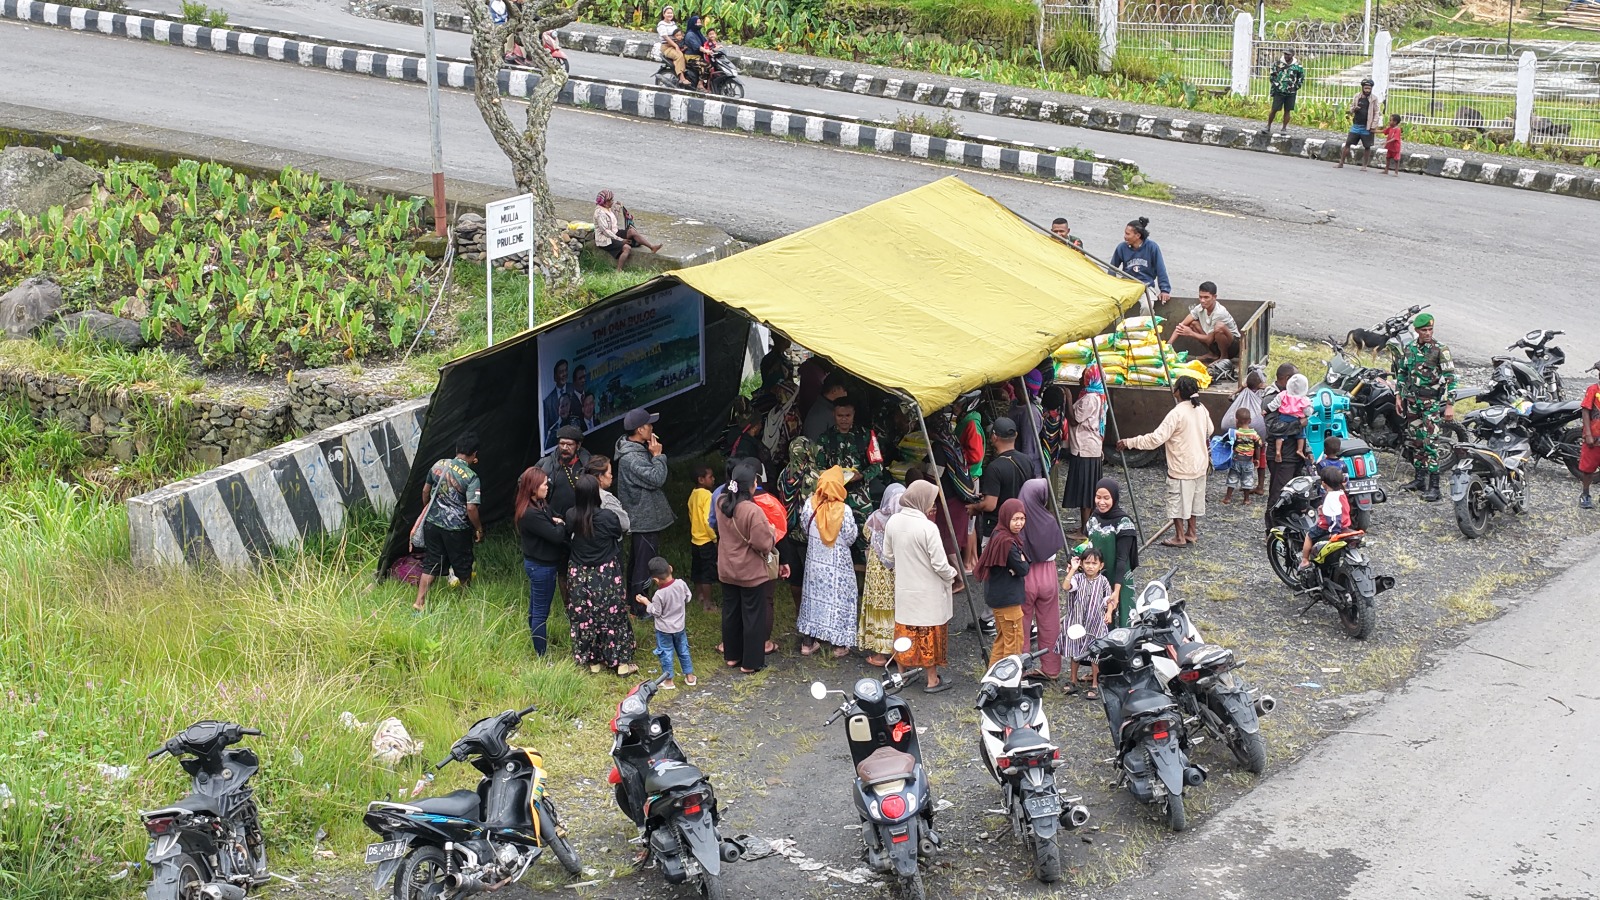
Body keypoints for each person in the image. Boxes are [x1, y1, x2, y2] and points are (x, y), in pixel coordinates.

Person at [1119, 376, 1212, 547]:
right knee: (1193, 499)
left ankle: (1179, 537)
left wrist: (1129, 442)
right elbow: (1210, 429)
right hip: (1199, 463)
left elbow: (1155, 439)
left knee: (1176, 500)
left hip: (1181, 465)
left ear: (1177, 391)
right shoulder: (1201, 408)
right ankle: (1191, 532)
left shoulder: (1177, 413)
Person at [886, 480, 959, 693]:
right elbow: (939, 564)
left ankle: (902, 674)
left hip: (904, 588)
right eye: (931, 500)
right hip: (928, 591)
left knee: (904, 632)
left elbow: (888, 556)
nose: (932, 505)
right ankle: (932, 680)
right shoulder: (928, 527)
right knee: (928, 633)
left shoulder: (893, 522)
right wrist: (952, 574)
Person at [565, 474, 636, 676]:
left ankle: (592, 661)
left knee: (584, 616)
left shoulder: (572, 515)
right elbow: (616, 534)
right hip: (605, 572)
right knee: (613, 615)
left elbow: (567, 534)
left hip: (579, 572)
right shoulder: (608, 517)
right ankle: (621, 662)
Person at [719, 463, 778, 673]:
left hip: (726, 568)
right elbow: (763, 544)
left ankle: (732, 656)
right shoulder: (753, 511)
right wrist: (770, 532)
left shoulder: (721, 502)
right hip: (750, 571)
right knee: (753, 615)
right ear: (752, 485)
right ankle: (751, 663)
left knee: (731, 612)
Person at [413, 432, 483, 612]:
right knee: (463, 564)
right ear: (474, 454)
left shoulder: (438, 465)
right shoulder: (471, 477)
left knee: (431, 563)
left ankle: (419, 603)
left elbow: (425, 491)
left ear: (457, 449)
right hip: (456, 528)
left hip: (432, 525)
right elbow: (471, 508)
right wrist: (478, 528)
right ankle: (464, 601)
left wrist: (430, 510)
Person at [797, 466, 860, 658]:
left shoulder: (809, 505)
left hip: (814, 562)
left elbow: (805, 530)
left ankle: (808, 643)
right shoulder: (845, 510)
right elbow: (850, 537)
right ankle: (839, 645)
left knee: (813, 598)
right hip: (839, 566)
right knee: (839, 600)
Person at [1394, 312, 1456, 502]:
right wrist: (1398, 395)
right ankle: (1419, 480)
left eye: (1430, 329)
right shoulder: (1410, 349)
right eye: (1424, 330)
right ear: (1417, 331)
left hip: (1431, 403)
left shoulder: (1440, 350)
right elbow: (1403, 373)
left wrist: (1450, 405)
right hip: (1413, 402)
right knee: (1416, 441)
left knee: (1431, 443)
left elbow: (1451, 378)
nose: (1428, 333)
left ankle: (1434, 486)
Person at [615, 407, 674, 604]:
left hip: (645, 518)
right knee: (644, 564)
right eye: (649, 424)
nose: (651, 427)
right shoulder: (632, 458)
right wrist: (658, 456)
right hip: (643, 519)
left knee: (638, 560)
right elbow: (657, 478)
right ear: (640, 430)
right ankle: (639, 607)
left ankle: (632, 602)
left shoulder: (638, 450)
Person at [515, 466, 567, 655]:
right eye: (544, 484)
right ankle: (541, 654)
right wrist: (559, 524)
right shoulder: (531, 513)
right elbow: (556, 536)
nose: (548, 487)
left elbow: (553, 517)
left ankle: (537, 645)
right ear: (533, 487)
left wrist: (555, 520)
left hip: (543, 565)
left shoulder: (540, 504)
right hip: (541, 567)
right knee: (540, 612)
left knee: (536, 607)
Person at [1017, 478, 1064, 679]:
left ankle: (1020, 667)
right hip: (1048, 575)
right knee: (1050, 622)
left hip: (1024, 576)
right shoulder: (1050, 520)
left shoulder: (1018, 520)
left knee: (1021, 624)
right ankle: (1051, 669)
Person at [816, 396, 883, 536]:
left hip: (860, 498)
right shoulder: (825, 439)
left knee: (865, 538)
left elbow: (877, 464)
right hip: (834, 498)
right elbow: (818, 468)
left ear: (854, 414)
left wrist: (863, 475)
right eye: (840, 415)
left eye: (848, 415)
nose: (844, 419)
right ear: (833, 414)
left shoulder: (866, 435)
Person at [976, 498, 1030, 667]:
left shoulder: (998, 534)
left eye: (1022, 519)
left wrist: (1020, 564)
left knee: (1001, 641)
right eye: (1015, 519)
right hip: (1008, 600)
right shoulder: (1008, 542)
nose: (1019, 524)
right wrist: (1021, 563)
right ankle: (1008, 684)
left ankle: (992, 679)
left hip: (998, 599)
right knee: (1013, 644)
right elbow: (1023, 569)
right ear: (1006, 518)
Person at [859, 483, 906, 667]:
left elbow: (865, 533)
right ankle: (898, 652)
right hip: (898, 572)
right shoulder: (905, 521)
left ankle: (879, 655)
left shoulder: (876, 517)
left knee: (879, 611)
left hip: (877, 574)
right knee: (898, 611)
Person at [1084, 478, 1139, 629]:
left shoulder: (1123, 522)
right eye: (1098, 497)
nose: (1101, 502)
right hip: (1096, 579)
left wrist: (1116, 591)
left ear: (1114, 498)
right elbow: (1087, 544)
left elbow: (1122, 559)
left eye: (1106, 498)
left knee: (1119, 622)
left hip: (1118, 578)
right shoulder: (1094, 517)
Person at [971, 416, 1038, 536]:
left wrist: (975, 507)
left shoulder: (994, 467)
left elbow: (990, 505)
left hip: (998, 527)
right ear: (1016, 435)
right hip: (1020, 523)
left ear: (994, 437)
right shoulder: (1027, 460)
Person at [1059, 548, 1112, 700]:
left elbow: (1109, 600)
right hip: (1077, 621)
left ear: (1100, 566)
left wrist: (1108, 613)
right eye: (1087, 563)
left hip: (1095, 622)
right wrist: (1072, 570)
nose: (1090, 566)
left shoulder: (1103, 581)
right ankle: (1073, 680)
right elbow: (1065, 587)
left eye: (1094, 563)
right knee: (1075, 651)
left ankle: (1095, 684)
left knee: (1095, 653)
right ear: (1081, 564)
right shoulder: (1077, 578)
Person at [638, 557, 695, 689]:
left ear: (655, 580)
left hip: (664, 630)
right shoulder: (681, 584)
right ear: (670, 568)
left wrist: (646, 602)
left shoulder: (659, 594)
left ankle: (669, 681)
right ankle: (690, 677)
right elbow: (688, 597)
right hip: (680, 627)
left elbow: (656, 612)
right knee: (683, 651)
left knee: (666, 653)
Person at [1065, 365, 1108, 534]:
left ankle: (1084, 529)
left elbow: (1075, 419)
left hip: (1085, 449)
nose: (1081, 379)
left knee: (1085, 491)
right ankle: (1085, 526)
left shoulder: (1090, 398)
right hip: (1092, 448)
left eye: (1084, 376)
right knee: (1089, 489)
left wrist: (1068, 398)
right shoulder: (1098, 395)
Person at [1261, 363, 1301, 515]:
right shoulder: (1271, 398)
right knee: (1279, 495)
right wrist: (1298, 424)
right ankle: (1272, 529)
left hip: (1295, 453)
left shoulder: (1294, 396)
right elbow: (1272, 427)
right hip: (1281, 455)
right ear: (1287, 379)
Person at [1220, 369, 1268, 497]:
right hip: (1257, 437)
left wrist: (1240, 389)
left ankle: (1233, 492)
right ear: (1260, 385)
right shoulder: (1262, 394)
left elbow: (1230, 398)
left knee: (1237, 467)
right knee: (1260, 460)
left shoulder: (1242, 395)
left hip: (1241, 443)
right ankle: (1260, 487)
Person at [1171, 281, 1240, 364]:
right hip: (1215, 342)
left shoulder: (1219, 312)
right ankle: (1213, 354)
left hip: (1232, 346)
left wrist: (1190, 333)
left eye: (1206, 297)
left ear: (1214, 297)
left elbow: (1209, 339)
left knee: (1219, 327)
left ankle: (1223, 357)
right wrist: (1169, 345)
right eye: (1200, 297)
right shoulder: (1199, 308)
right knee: (1193, 324)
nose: (1202, 300)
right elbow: (1182, 325)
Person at [1299, 466, 1351, 572]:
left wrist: (1334, 531)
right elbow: (1340, 508)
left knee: (1309, 535)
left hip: (1328, 527)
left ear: (1323, 483)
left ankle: (1304, 560)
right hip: (1345, 524)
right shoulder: (1341, 493)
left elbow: (1334, 516)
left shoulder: (1331, 497)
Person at [538, 426, 592, 527]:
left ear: (578, 445)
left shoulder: (588, 464)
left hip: (583, 520)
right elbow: (525, 483)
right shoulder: (547, 465)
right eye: (562, 444)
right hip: (556, 522)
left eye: (569, 444)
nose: (564, 448)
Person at [1108, 217, 1170, 302]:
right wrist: (1111, 286)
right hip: (1126, 286)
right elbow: (1112, 268)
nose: (1125, 237)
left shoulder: (1152, 247)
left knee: (1147, 307)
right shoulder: (1121, 247)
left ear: (1137, 235)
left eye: (1128, 234)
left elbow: (1161, 269)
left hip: (1145, 287)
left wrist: (1164, 290)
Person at [688, 463, 719, 611]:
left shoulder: (693, 494)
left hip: (695, 539)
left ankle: (699, 595)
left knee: (697, 569)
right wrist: (715, 538)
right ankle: (708, 604)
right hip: (706, 540)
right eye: (710, 477)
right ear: (701, 479)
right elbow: (709, 520)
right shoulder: (708, 496)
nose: (713, 479)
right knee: (708, 572)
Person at [1337, 78, 1382, 170]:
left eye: (1369, 88)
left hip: (1367, 126)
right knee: (1348, 143)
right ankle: (1341, 163)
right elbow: (1351, 108)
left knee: (1367, 146)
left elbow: (1377, 113)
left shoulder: (1374, 99)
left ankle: (1364, 165)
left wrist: (1373, 126)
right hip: (1356, 125)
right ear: (1362, 88)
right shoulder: (1357, 96)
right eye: (1366, 88)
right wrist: (1354, 109)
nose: (1367, 90)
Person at [1221, 407, 1264, 505]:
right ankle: (1246, 499)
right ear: (1250, 421)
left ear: (1236, 421)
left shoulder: (1235, 433)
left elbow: (1226, 442)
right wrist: (1257, 459)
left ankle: (1227, 498)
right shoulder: (1255, 435)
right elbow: (1258, 447)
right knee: (1247, 480)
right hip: (1248, 461)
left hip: (1236, 459)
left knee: (1232, 478)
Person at [1269, 373, 1311, 466]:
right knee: (1301, 434)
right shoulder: (1303, 399)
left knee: (1280, 435)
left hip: (1283, 417)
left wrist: (1266, 409)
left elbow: (1274, 404)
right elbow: (1308, 411)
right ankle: (1300, 450)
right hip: (1296, 418)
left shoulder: (1283, 394)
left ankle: (1278, 451)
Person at [584, 454, 632, 534]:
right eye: (609, 473)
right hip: (606, 542)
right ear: (601, 477)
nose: (612, 476)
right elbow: (624, 524)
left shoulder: (582, 492)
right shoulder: (606, 498)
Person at [1267, 49, 1304, 134]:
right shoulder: (1278, 64)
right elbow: (1272, 75)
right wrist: (1276, 85)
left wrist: (1296, 87)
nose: (1286, 56)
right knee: (1274, 109)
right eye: (1285, 54)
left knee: (1287, 110)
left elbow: (1301, 77)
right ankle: (1268, 126)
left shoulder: (1298, 66)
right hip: (1279, 90)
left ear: (1292, 55)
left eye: (1288, 54)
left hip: (1291, 91)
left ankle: (1284, 128)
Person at [593, 190, 631, 271]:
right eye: (610, 200)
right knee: (627, 248)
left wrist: (617, 208)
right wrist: (620, 239)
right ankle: (618, 270)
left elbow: (613, 221)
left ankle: (651, 247)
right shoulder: (600, 213)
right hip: (604, 240)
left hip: (612, 235)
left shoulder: (607, 209)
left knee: (631, 233)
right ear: (605, 202)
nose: (612, 202)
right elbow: (606, 231)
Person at [1579, 362, 1600, 509]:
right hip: (1594, 437)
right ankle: (1585, 494)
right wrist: (1588, 433)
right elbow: (1586, 411)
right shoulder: (1593, 390)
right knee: (1588, 470)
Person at [803, 376, 848, 441]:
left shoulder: (823, 406)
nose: (845, 394)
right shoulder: (820, 414)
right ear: (834, 391)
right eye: (844, 390)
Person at [656, 6, 689, 86]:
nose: (670, 15)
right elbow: (666, 37)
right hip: (667, 47)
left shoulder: (673, 24)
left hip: (676, 45)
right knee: (679, 56)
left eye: (671, 13)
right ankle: (682, 78)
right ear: (664, 14)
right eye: (668, 13)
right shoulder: (661, 24)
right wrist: (675, 46)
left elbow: (677, 34)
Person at [543, 359, 571, 441]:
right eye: (561, 372)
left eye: (566, 370)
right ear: (555, 377)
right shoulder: (548, 402)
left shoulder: (574, 388)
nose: (564, 374)